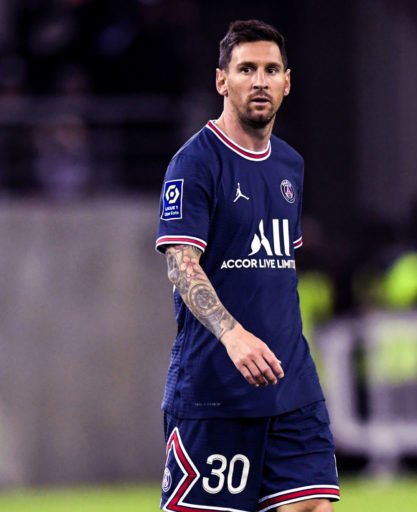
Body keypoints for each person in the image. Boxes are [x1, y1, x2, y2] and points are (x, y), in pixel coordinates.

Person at [155, 20, 339, 512]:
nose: (260, 81)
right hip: (215, 393)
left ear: (287, 82)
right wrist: (233, 335)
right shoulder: (195, 163)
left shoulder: (290, 165)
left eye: (271, 69)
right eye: (246, 69)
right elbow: (181, 266)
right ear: (222, 80)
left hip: (292, 387)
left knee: (313, 506)